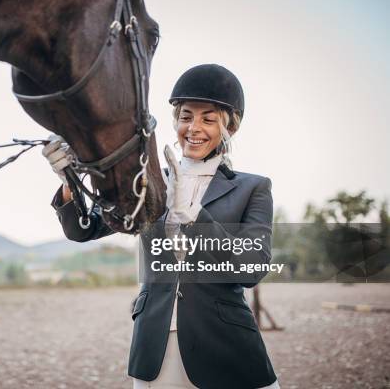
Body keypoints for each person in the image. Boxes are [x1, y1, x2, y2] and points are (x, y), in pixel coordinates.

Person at [42, 64, 280, 389]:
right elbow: (84, 229)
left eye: (208, 119)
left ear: (230, 127)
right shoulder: (150, 183)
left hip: (226, 343)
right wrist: (70, 177)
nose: (193, 128)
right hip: (154, 345)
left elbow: (251, 268)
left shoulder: (253, 188)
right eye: (185, 117)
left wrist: (193, 213)